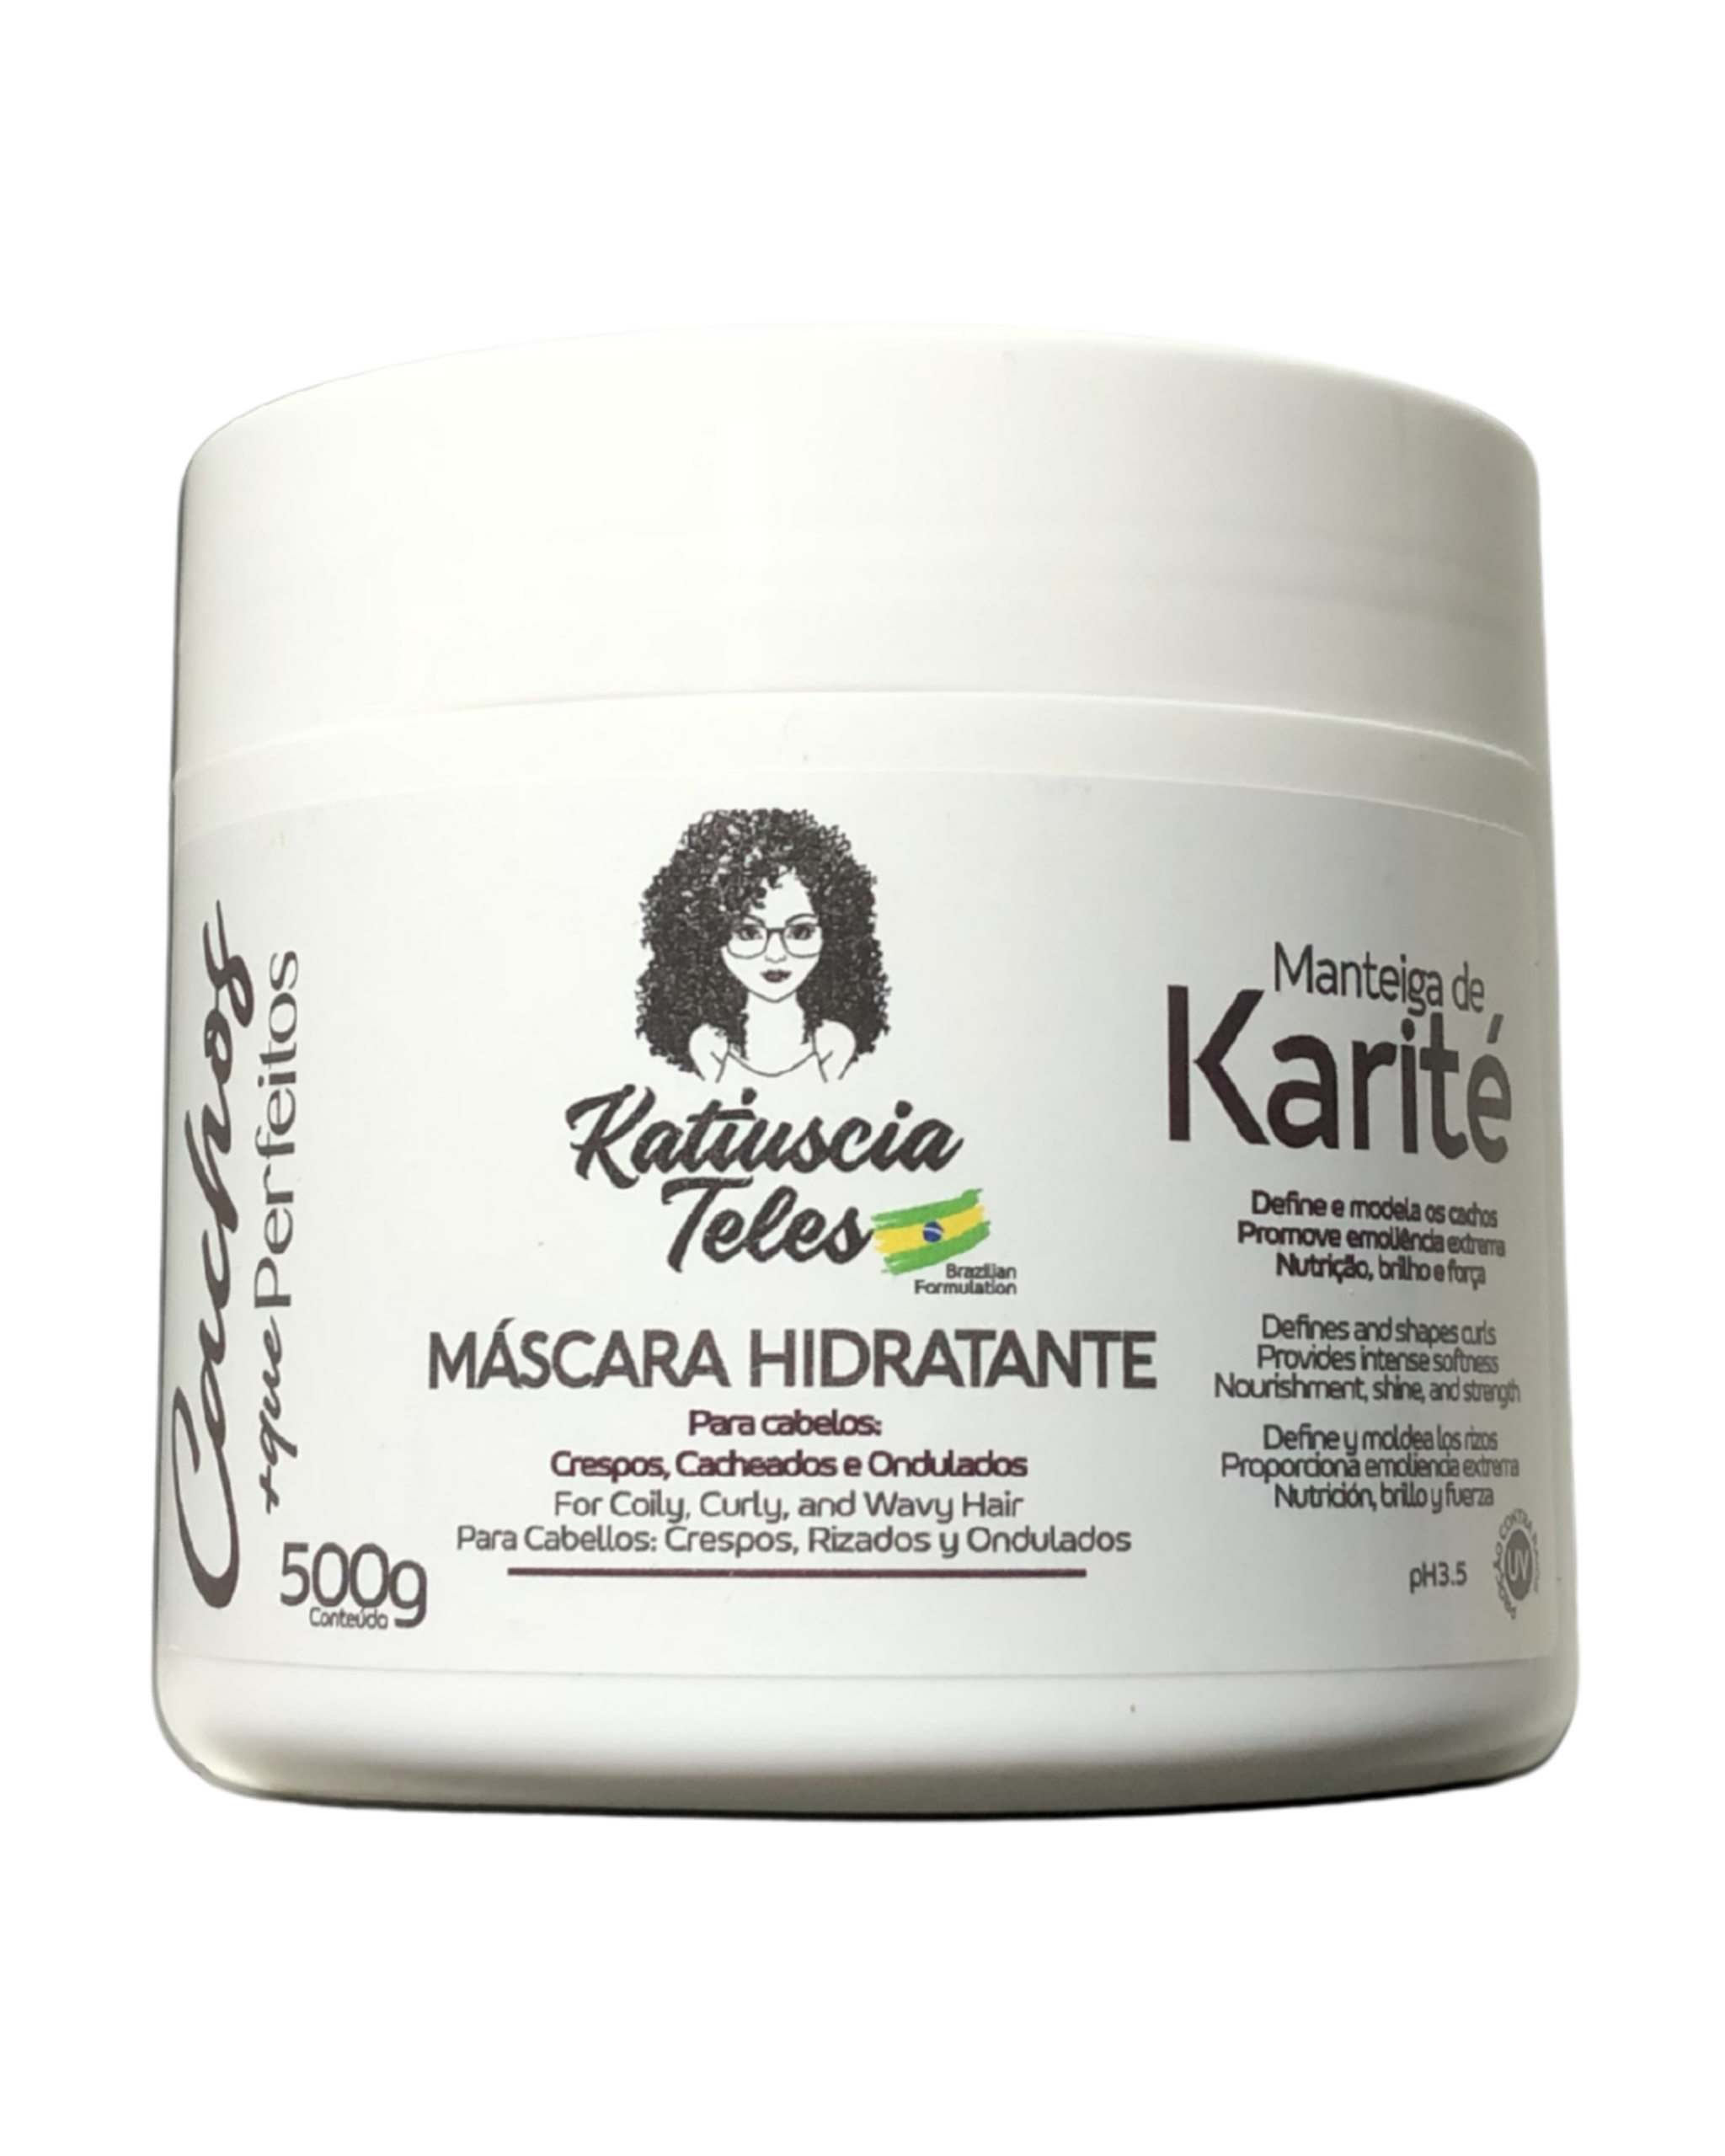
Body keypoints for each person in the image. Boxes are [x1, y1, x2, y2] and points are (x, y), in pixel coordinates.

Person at [637, 808, 889, 1084]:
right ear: (708, 938)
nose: (776, 955)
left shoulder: (834, 1043)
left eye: (801, 932)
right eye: (748, 933)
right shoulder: (708, 1045)